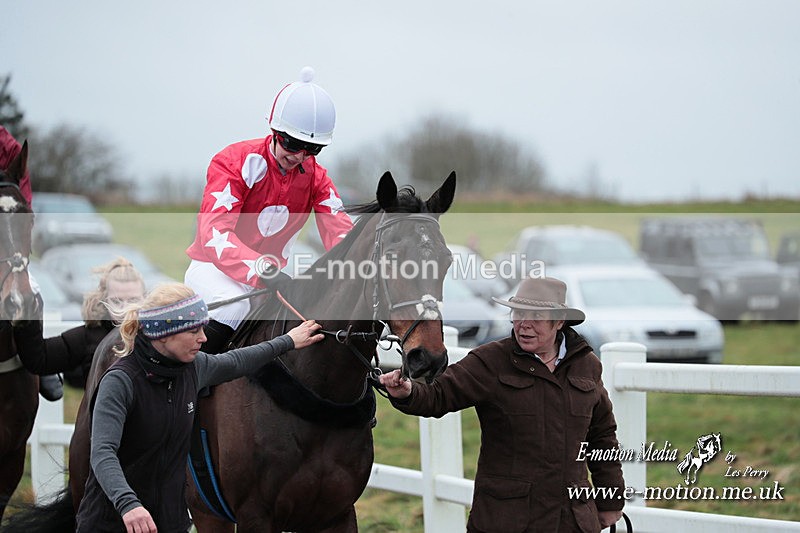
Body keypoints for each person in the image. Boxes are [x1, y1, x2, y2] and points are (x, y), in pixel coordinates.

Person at [379, 277, 625, 532]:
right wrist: (407, 393)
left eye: (536, 316)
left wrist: (611, 500)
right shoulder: (491, 361)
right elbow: (438, 395)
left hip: (571, 522)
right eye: (518, 314)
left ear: (559, 322)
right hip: (505, 521)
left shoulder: (587, 365)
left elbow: (602, 437)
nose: (524, 325)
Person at [74, 281, 323, 533]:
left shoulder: (194, 369)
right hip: (114, 522)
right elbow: (103, 452)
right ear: (164, 333)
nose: (203, 338)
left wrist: (288, 341)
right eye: (194, 330)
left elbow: (238, 361)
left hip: (168, 523)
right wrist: (128, 505)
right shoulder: (120, 381)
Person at [184, 66, 353, 354]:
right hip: (215, 271)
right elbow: (214, 233)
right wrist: (262, 269)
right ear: (275, 131)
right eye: (292, 143)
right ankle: (190, 385)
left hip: (270, 281)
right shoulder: (234, 161)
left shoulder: (316, 177)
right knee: (234, 307)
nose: (299, 155)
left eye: (312, 149)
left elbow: (341, 233)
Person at [13, 258, 146, 400]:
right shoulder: (88, 337)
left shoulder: (157, 337)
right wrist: (27, 304)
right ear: (104, 300)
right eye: (116, 301)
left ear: (145, 300)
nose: (124, 309)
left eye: (133, 301)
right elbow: (40, 359)